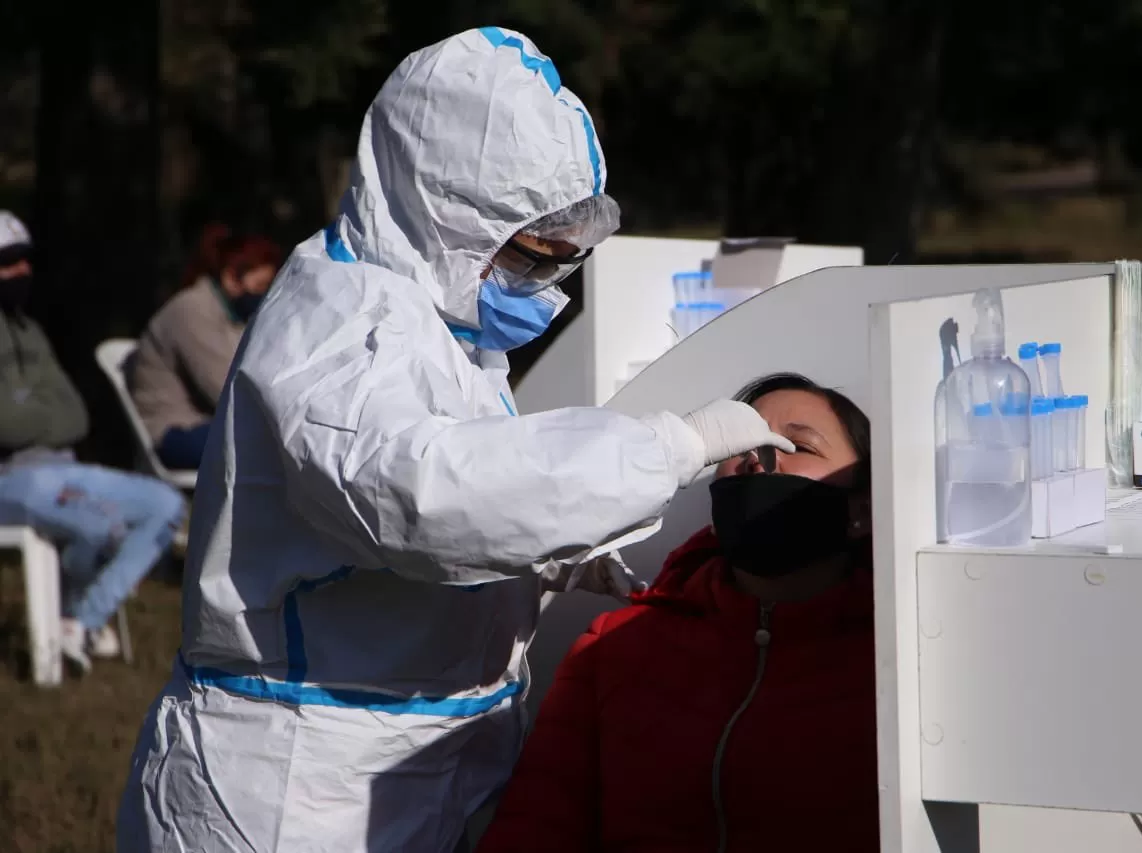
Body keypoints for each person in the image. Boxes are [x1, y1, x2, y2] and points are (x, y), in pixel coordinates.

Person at [117, 28, 792, 853]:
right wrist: (672, 447)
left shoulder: (439, 316)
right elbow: (424, 497)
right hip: (293, 785)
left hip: (414, 759)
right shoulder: (337, 327)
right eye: (530, 256)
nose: (543, 284)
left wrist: (555, 558)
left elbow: (432, 504)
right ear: (447, 212)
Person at [476, 373, 879, 853]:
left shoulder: (899, 659)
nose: (760, 456)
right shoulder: (611, 649)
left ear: (862, 508)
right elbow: (536, 825)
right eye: (745, 439)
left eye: (798, 445)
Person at [0, 211, 186, 671]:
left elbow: (76, 415)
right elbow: (6, 427)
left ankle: (80, 621)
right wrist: (39, 415)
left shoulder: (31, 331)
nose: (21, 271)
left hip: (63, 467)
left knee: (163, 504)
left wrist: (32, 415)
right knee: (101, 525)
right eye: (7, 262)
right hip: (11, 479)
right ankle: (73, 622)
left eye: (26, 260)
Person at [130, 224, 282, 470]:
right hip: (176, 432)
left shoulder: (232, 315)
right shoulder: (191, 311)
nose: (262, 296)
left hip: (213, 425)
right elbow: (227, 390)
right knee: (273, 445)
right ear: (232, 277)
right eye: (260, 287)